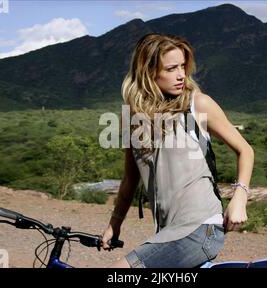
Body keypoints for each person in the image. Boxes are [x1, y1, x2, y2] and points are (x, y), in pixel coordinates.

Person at [101, 33, 254, 268]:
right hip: (169, 231)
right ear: (149, 72)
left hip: (200, 228)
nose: (181, 75)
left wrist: (240, 197)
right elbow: (129, 180)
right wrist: (115, 222)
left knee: (119, 272)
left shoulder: (197, 104)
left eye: (183, 66)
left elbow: (245, 150)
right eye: (172, 68)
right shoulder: (135, 120)